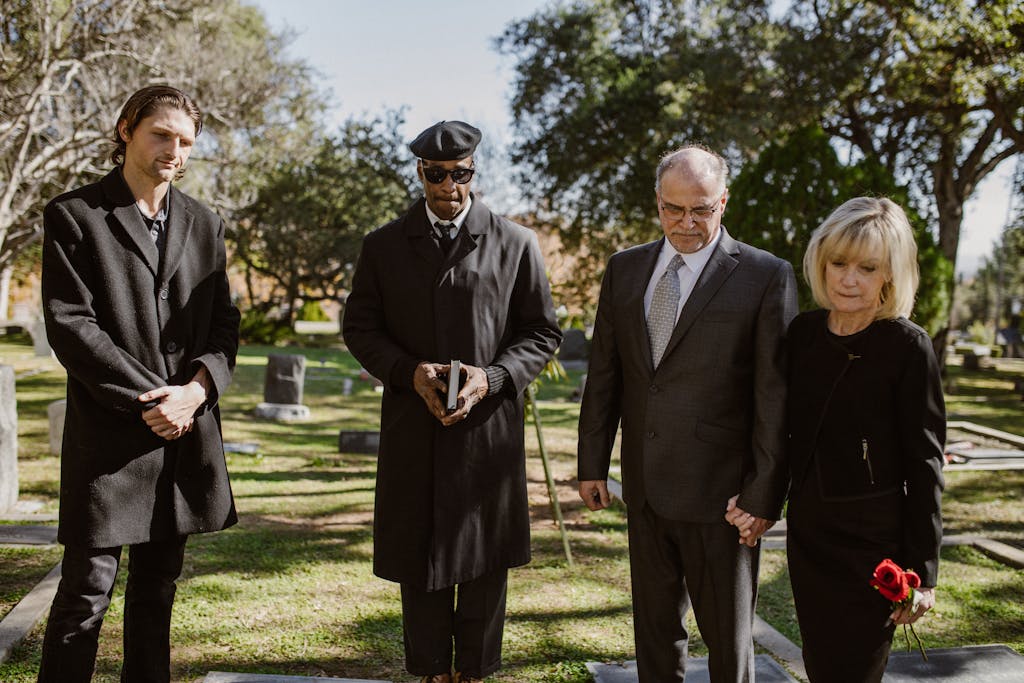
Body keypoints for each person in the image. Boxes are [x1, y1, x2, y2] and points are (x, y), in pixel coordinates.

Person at [342, 120, 561, 683]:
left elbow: (540, 333)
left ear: (474, 172)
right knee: (421, 556)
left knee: (485, 562)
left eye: (459, 174)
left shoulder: (517, 244)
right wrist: (408, 372)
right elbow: (361, 329)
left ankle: (477, 671)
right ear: (420, 173)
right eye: (435, 175)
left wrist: (493, 378)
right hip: (414, 428)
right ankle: (431, 670)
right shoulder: (384, 245)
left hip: (487, 433)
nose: (448, 186)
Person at [39, 85, 240, 682]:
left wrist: (196, 392)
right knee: (86, 592)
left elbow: (225, 326)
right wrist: (152, 399)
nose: (173, 150)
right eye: (162, 134)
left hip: (182, 434)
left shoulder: (206, 224)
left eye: (185, 142)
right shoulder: (75, 215)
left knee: (157, 593)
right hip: (109, 438)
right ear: (126, 128)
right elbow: (71, 326)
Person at [577, 144, 798, 682]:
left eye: (701, 209)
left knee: (728, 642)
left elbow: (777, 395)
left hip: (724, 500)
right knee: (654, 633)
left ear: (723, 202)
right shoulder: (624, 270)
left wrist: (764, 493)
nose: (686, 222)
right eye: (674, 209)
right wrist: (592, 463)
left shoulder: (766, 275)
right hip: (645, 489)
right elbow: (606, 371)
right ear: (657, 202)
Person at [785, 197, 945, 682]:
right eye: (838, 263)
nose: (848, 279)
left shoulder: (907, 347)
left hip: (873, 546)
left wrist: (923, 573)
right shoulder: (802, 334)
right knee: (820, 665)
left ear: (889, 276)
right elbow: (780, 431)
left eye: (867, 267)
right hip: (809, 536)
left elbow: (925, 465)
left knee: (855, 671)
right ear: (821, 261)